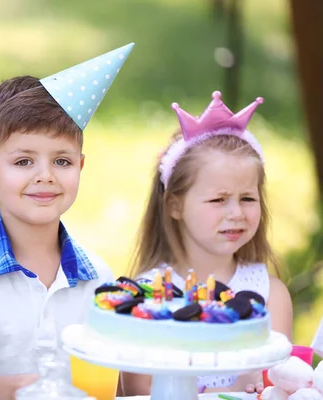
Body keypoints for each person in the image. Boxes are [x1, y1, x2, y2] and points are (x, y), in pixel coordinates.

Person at [0, 43, 135, 400]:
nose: (45, 176)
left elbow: (112, 387)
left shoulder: (98, 278)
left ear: (80, 168)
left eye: (62, 161)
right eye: (24, 161)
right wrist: (6, 389)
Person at [121, 91, 293, 396]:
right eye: (218, 199)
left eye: (248, 198)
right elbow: (139, 393)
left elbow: (281, 382)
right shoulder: (146, 297)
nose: (236, 213)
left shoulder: (270, 296)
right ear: (174, 205)